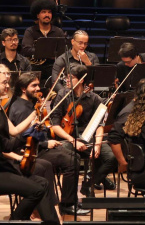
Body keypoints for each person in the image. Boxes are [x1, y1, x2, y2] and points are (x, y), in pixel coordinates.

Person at [0, 82, 60, 225]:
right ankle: (15, 220)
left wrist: (27, 135)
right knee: (36, 190)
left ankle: (52, 223)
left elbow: (6, 145)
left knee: (43, 183)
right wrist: (18, 173)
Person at [6, 72, 83, 216]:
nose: (38, 88)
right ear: (23, 89)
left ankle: (69, 199)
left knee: (75, 157)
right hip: (31, 151)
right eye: (33, 85)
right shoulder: (21, 109)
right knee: (71, 161)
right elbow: (24, 137)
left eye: (38, 85)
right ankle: (67, 204)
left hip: (39, 147)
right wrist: (46, 143)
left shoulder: (29, 104)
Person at [48, 64, 116, 198]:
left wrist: (97, 144)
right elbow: (55, 126)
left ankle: (89, 183)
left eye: (71, 78)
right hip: (67, 138)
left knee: (111, 158)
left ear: (81, 80)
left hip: (88, 137)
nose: (67, 81)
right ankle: (69, 198)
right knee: (72, 159)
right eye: (66, 77)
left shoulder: (94, 98)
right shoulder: (62, 95)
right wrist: (73, 141)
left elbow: (99, 124)